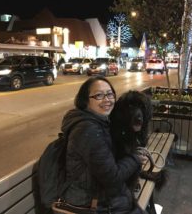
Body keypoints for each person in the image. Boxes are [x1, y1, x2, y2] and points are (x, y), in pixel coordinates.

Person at [60, 76, 146, 214]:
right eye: (99, 95)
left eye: (110, 94)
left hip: (101, 195)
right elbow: (112, 178)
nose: (107, 100)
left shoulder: (100, 122)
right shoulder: (88, 130)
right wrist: (135, 159)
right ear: (85, 101)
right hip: (90, 203)